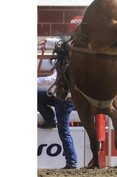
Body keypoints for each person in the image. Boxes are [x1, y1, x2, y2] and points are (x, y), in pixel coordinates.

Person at [37, 16, 82, 169]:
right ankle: (50, 119)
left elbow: (54, 79)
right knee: (36, 95)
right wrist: (47, 41)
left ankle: (72, 162)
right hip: (60, 96)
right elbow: (61, 42)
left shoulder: (71, 59)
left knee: (64, 130)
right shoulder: (72, 52)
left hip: (65, 99)